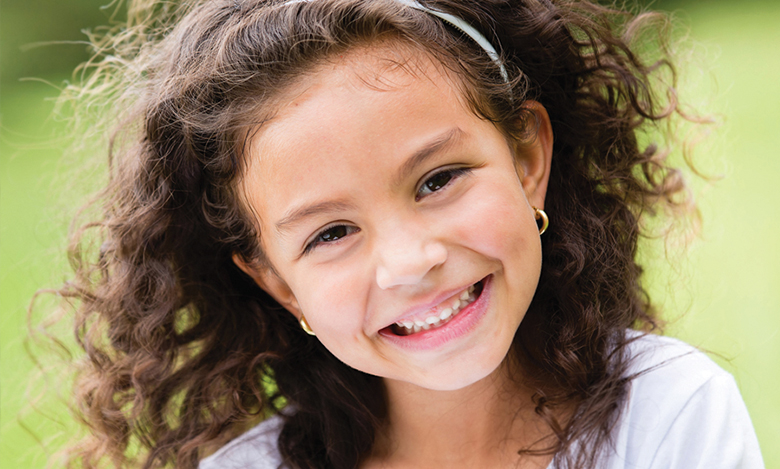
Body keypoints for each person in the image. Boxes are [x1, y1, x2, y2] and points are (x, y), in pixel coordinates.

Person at [53, 0, 764, 468]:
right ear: (274, 279)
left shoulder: (670, 416)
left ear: (527, 160)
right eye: (331, 232)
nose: (410, 262)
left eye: (437, 179)